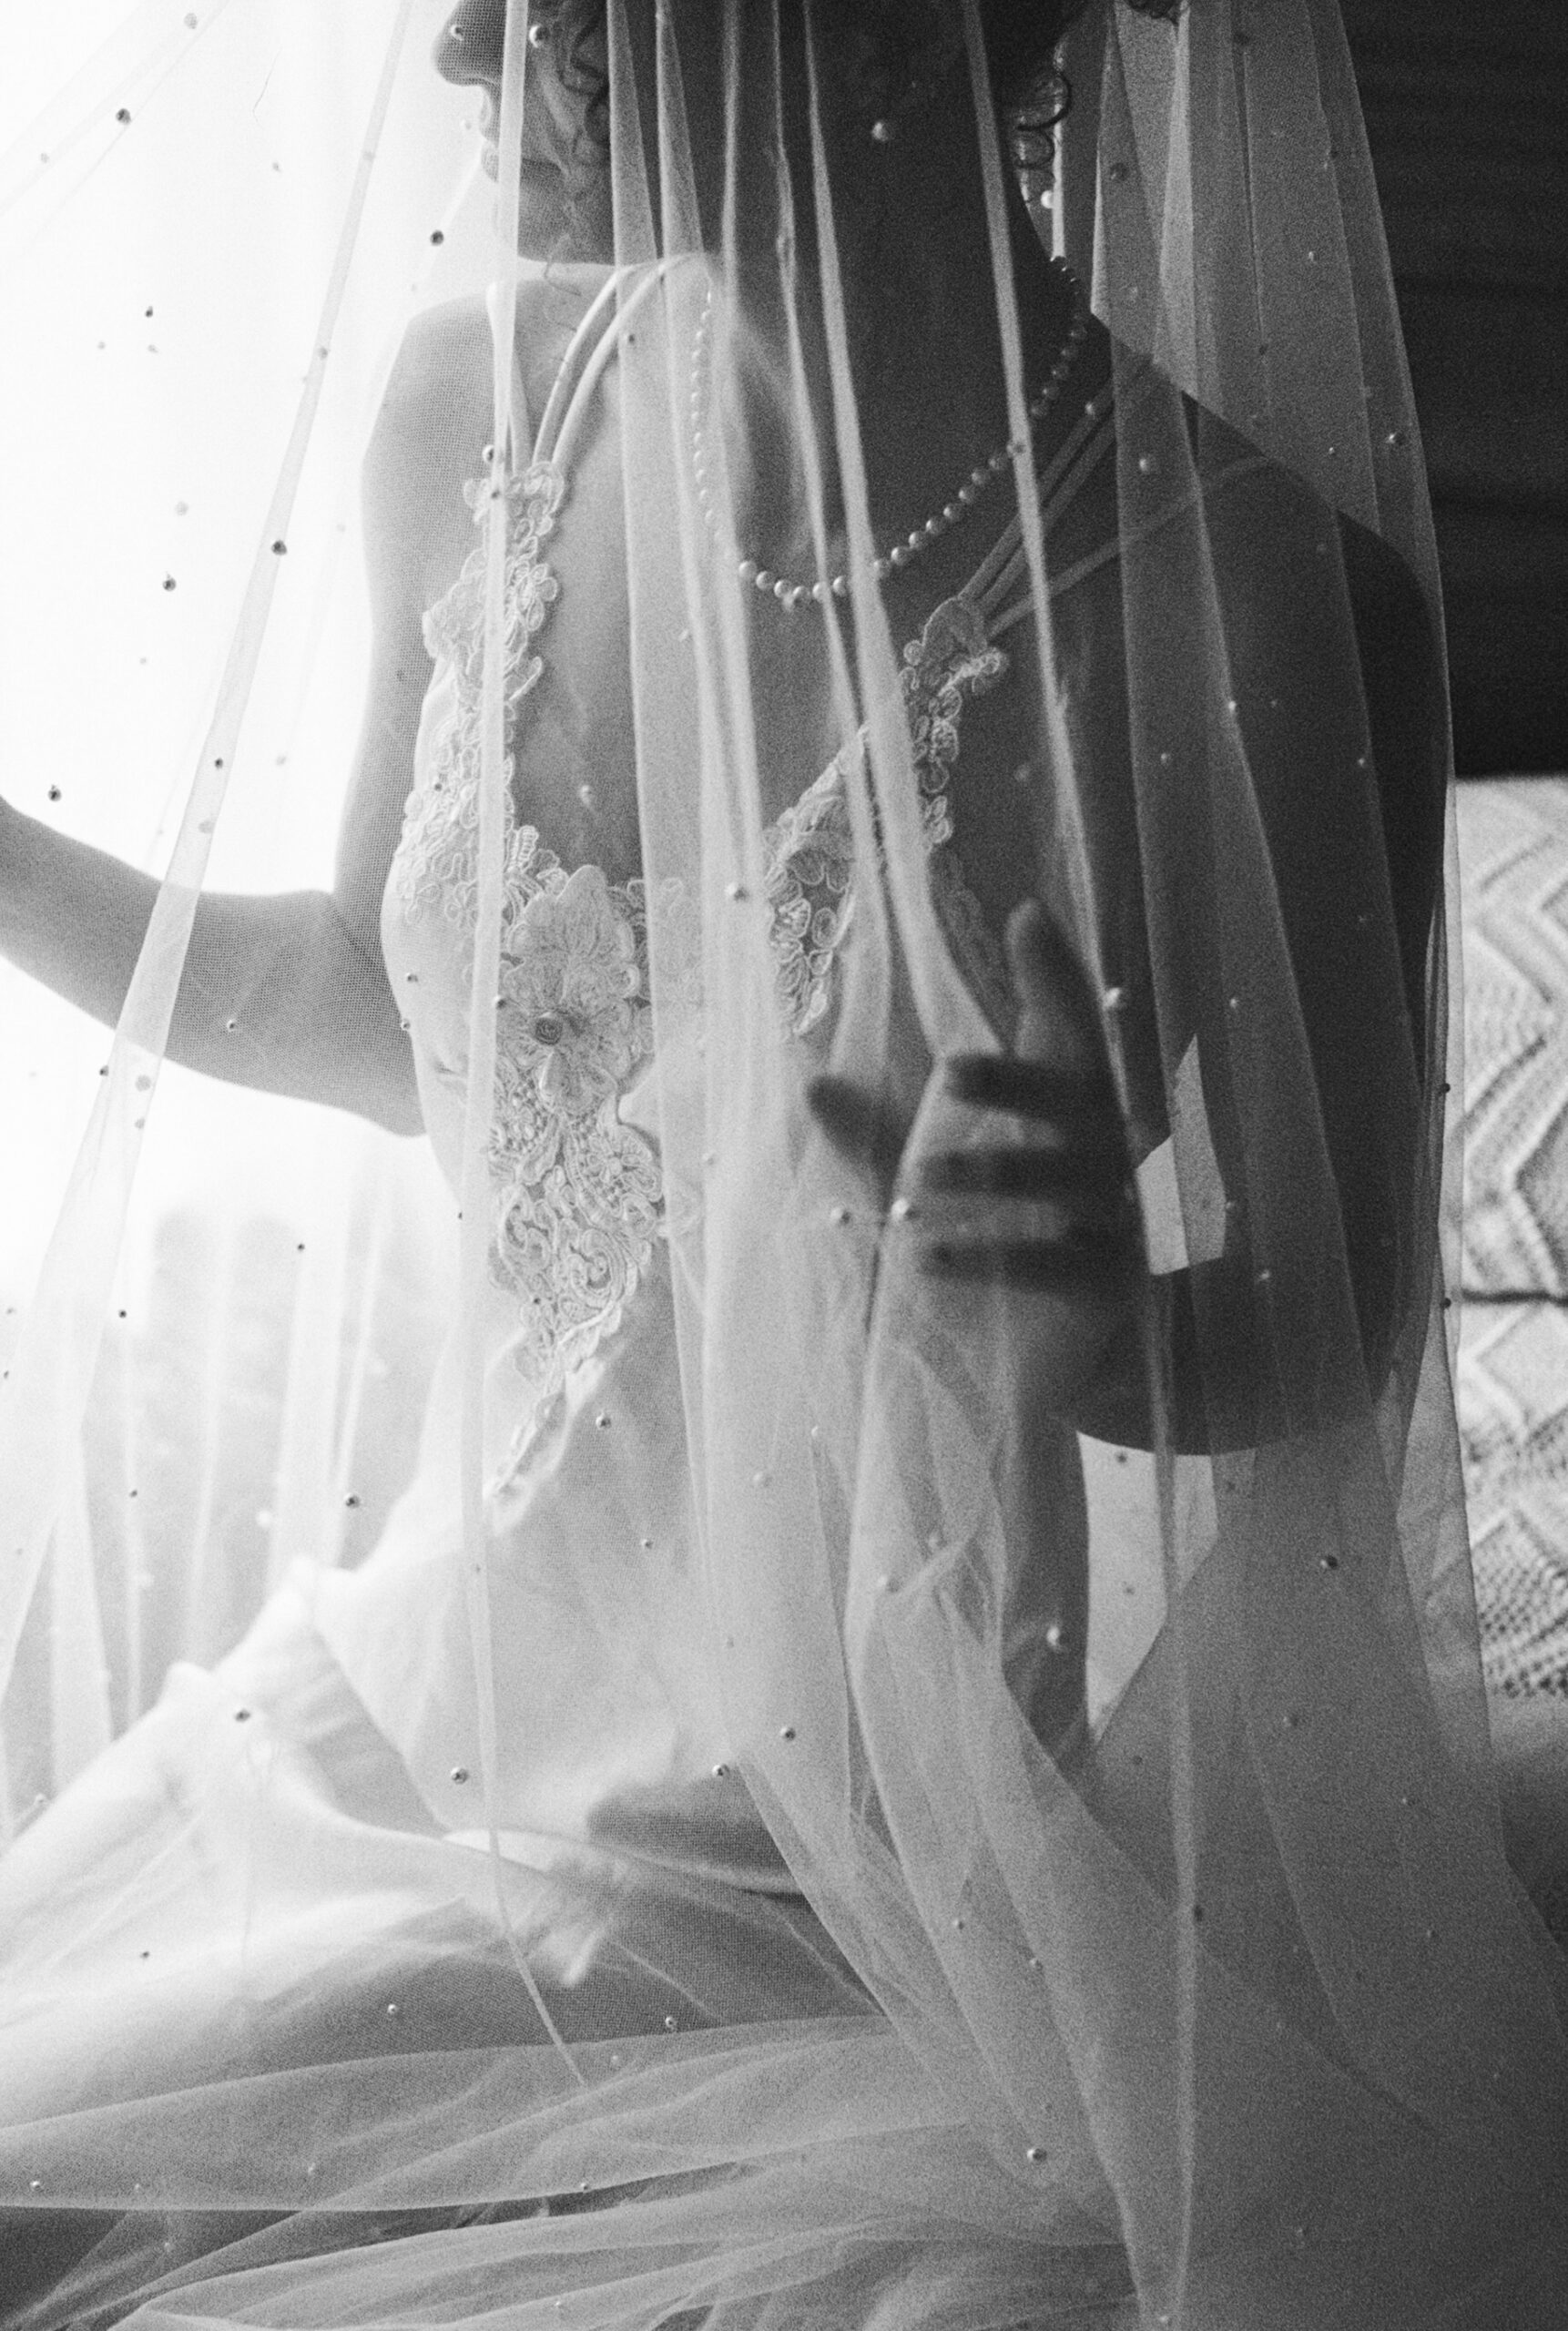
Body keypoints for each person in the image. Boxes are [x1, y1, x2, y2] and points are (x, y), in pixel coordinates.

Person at [1, 1, 1564, 2324]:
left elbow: (1340, 1324)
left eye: (562, 3)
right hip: (396, 1695)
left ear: (881, 37)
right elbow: (382, 991)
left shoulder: (1245, 597)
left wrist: (1097, 1335)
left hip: (829, 1787)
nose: (463, 52)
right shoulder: (473, 414)